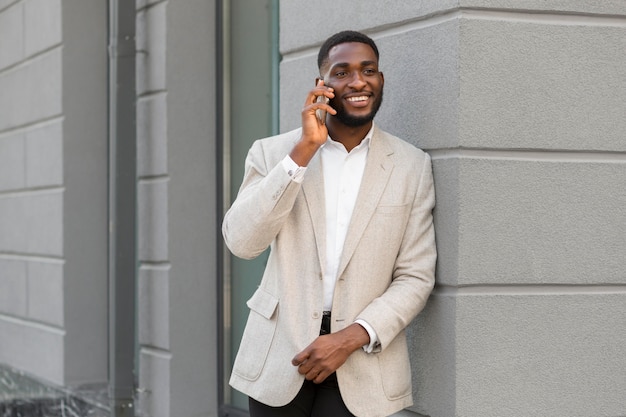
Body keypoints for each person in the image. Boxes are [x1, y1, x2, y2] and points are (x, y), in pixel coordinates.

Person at [222, 30, 436, 417]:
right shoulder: (272, 153)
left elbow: (416, 276)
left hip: (363, 361)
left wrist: (351, 337)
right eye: (342, 72)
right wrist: (302, 152)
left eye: (368, 70)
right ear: (322, 86)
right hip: (279, 356)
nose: (357, 81)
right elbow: (242, 242)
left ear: (380, 80)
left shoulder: (411, 166)